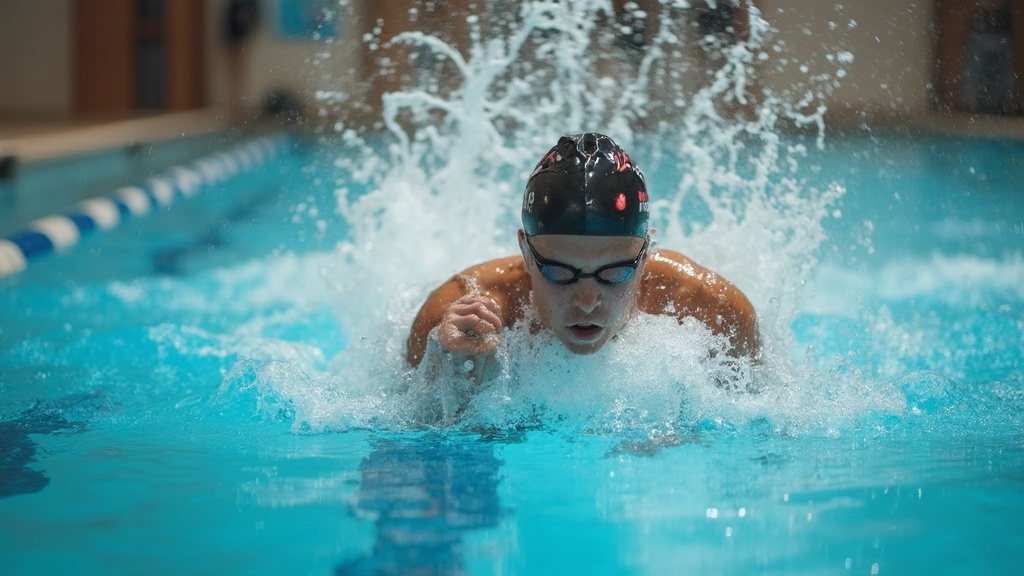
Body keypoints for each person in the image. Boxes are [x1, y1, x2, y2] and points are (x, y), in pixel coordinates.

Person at [407, 133, 759, 377]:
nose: (588, 301)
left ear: (646, 255)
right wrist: (454, 380)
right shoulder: (456, 319)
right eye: (560, 273)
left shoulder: (714, 314)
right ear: (526, 254)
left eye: (615, 273)